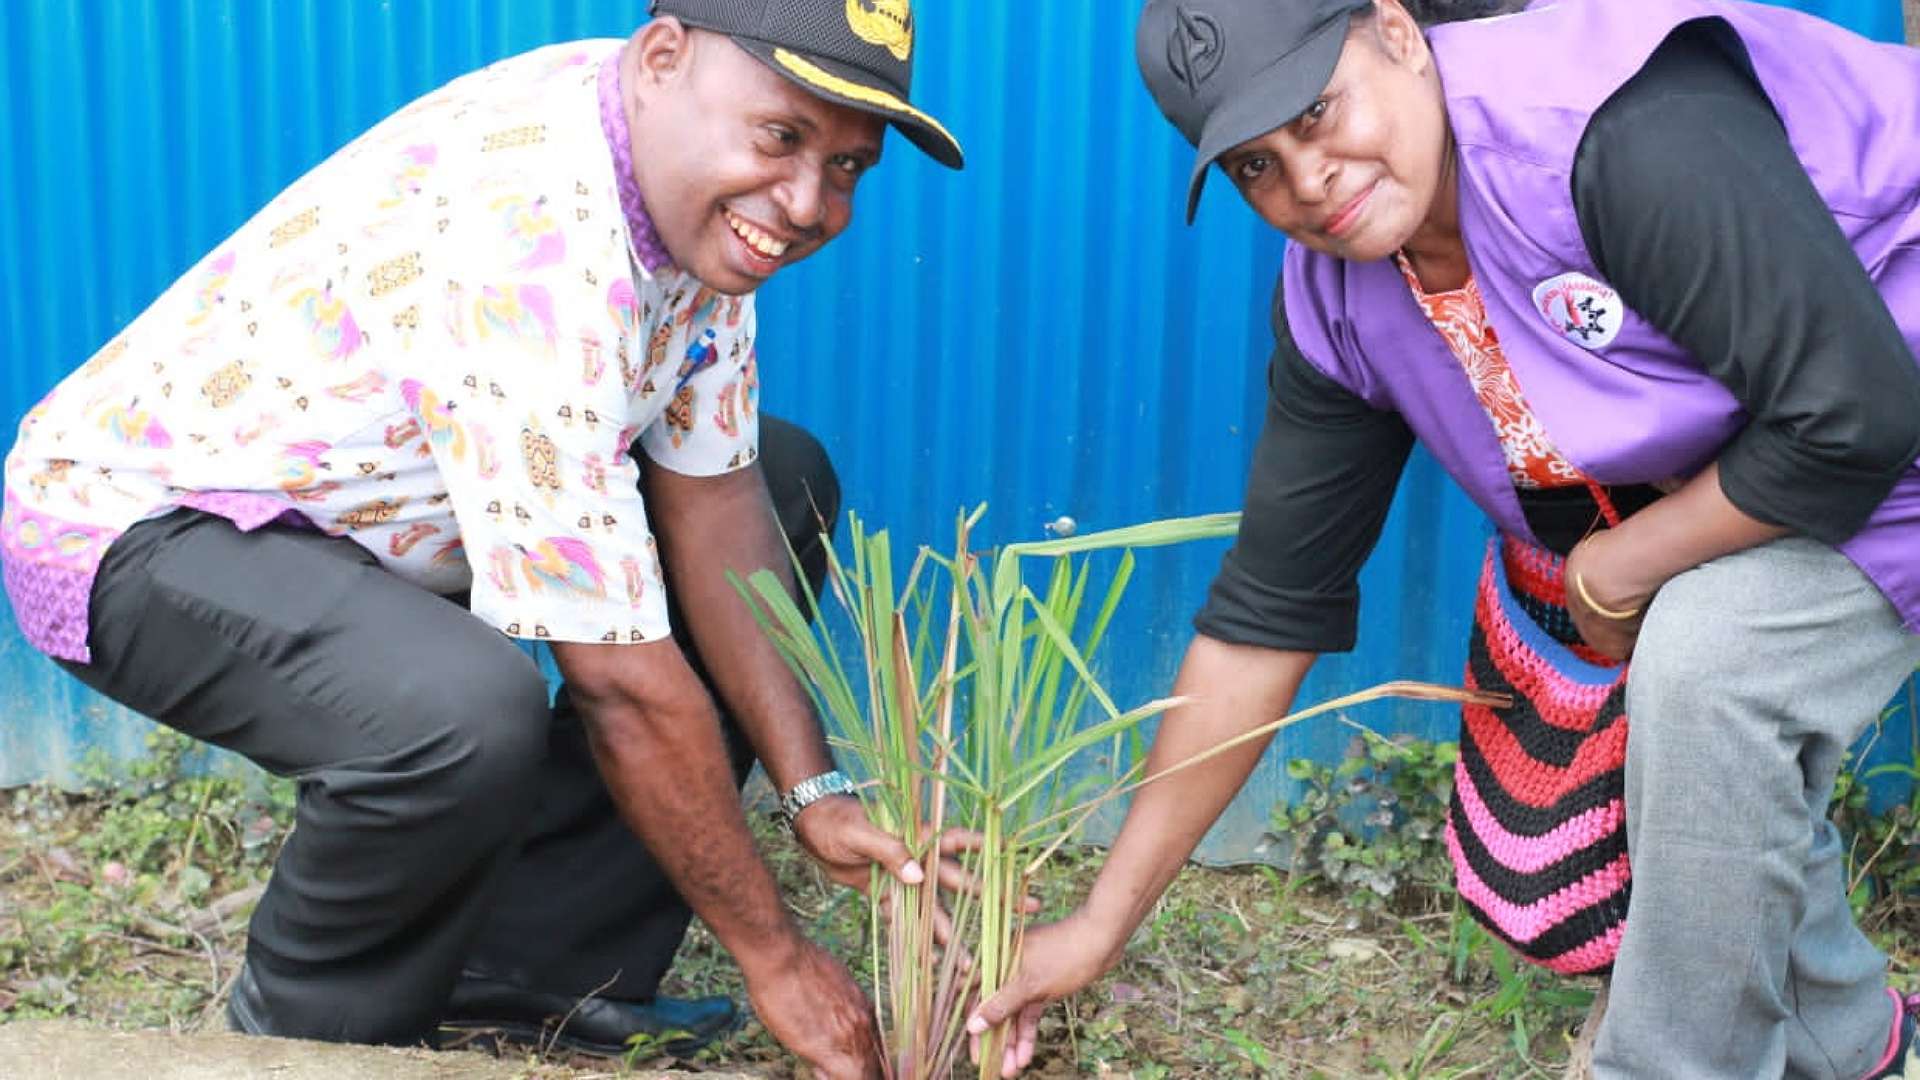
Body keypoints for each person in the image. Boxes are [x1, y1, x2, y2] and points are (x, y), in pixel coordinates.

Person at [0, 1, 966, 1076]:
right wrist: (774, 957)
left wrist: (814, 793)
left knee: (784, 480)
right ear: (661, 57)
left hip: (374, 517)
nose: (804, 203)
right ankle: (312, 1048)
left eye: (847, 166)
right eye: (782, 137)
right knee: (458, 710)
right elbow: (625, 688)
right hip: (140, 529)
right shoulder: (530, 237)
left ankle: (533, 971)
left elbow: (718, 505)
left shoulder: (680, 176)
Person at [966, 0, 1920, 1077]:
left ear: (1398, 30)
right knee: (1670, 721)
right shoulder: (1340, 293)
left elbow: (1857, 412)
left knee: (1707, 663)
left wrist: (1622, 562)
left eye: (1317, 110)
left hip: (1891, 417)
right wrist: (1100, 925)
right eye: (1254, 166)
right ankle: (1861, 1049)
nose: (1307, 180)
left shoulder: (1612, 132)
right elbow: (1268, 612)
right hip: (1788, 449)